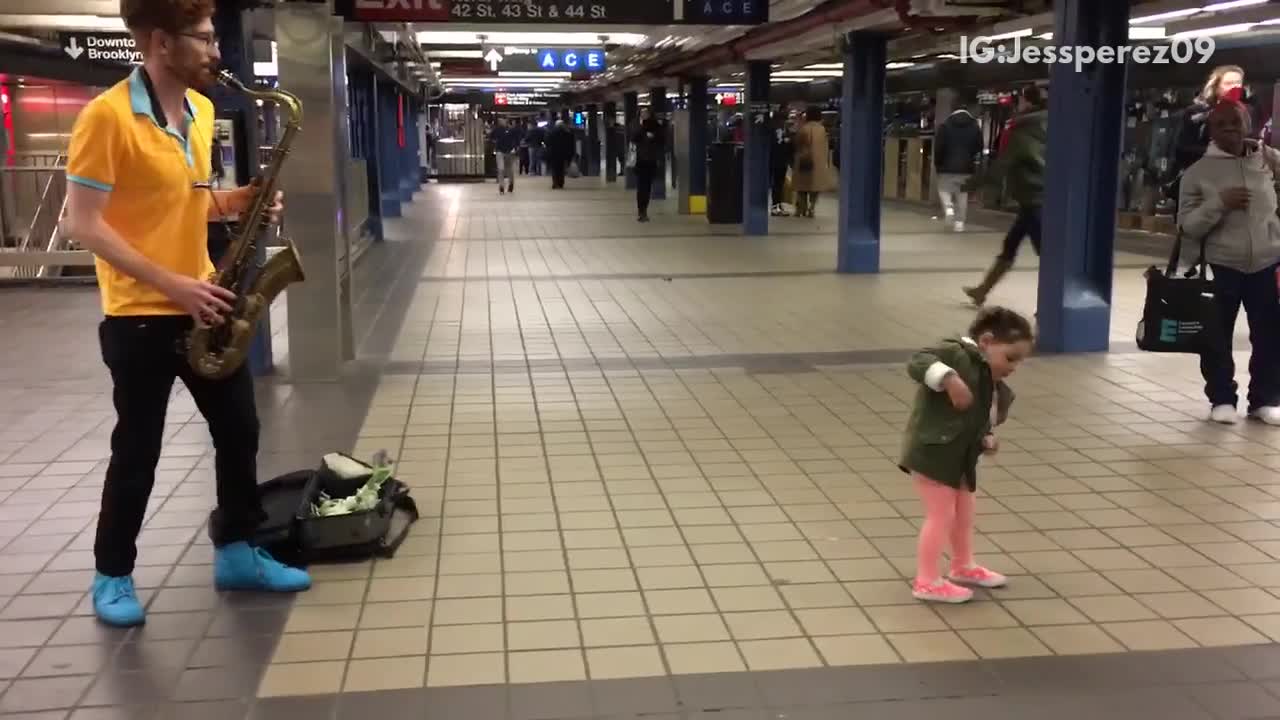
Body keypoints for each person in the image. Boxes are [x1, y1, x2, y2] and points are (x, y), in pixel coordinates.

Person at [63, 0, 310, 628]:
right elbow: (85, 225)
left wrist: (241, 201)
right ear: (157, 41)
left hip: (206, 302)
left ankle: (236, 550)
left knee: (240, 431)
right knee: (138, 450)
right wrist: (174, 283)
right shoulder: (106, 118)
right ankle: (112, 574)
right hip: (140, 316)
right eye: (201, 39)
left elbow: (190, 206)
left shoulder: (201, 112)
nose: (214, 51)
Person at [900, 307, 1033, 603]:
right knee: (941, 515)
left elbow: (980, 413)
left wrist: (986, 436)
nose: (1014, 366)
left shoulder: (988, 377)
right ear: (986, 341)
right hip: (933, 453)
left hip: (960, 456)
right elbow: (918, 361)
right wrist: (949, 379)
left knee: (964, 513)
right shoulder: (955, 353)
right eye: (1010, 357)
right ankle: (926, 580)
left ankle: (962, 565)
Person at [1177, 99, 1280, 426]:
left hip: (1265, 263)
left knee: (1269, 335)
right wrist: (1219, 203)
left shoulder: (1268, 160)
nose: (1230, 129)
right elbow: (1186, 225)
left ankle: (1264, 400)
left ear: (1247, 122)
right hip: (1220, 266)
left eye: (1235, 122)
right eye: (1221, 124)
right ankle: (1222, 398)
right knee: (1216, 336)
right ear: (1211, 130)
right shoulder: (1196, 174)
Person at [962, 85, 1048, 306]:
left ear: (1027, 103)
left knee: (1049, 257)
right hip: (1037, 198)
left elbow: (1003, 164)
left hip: (1034, 198)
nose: (1017, 105)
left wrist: (975, 183)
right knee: (1011, 244)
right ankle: (982, 291)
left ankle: (1050, 304)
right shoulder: (1052, 126)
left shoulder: (1024, 130)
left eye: (1019, 101)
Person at [1168, 65, 1249, 214]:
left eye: (1238, 83)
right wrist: (1216, 152)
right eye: (1228, 83)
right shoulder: (1196, 113)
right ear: (1216, 87)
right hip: (1199, 186)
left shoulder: (1245, 114)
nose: (1235, 87)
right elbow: (1181, 148)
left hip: (1234, 187)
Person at [933, 104, 984, 232]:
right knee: (962, 194)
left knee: (944, 189)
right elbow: (979, 146)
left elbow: (938, 148)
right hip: (966, 166)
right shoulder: (974, 126)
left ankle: (949, 208)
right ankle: (959, 223)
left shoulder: (944, 126)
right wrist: (970, 156)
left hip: (946, 166)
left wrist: (937, 164)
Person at [791, 106, 834, 218]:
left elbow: (798, 143)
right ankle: (812, 207)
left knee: (802, 186)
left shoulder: (804, 128)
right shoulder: (822, 129)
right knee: (815, 187)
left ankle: (801, 208)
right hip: (818, 162)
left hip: (804, 161)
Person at [632, 109, 664, 222]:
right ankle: (641, 211)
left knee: (647, 187)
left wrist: (653, 136)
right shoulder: (637, 125)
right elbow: (633, 138)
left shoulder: (656, 127)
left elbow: (661, 140)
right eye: (642, 113)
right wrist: (642, 129)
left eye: (646, 113)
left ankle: (644, 210)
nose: (644, 115)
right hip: (640, 161)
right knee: (641, 187)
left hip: (651, 160)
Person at [769, 112, 794, 217]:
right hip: (779, 160)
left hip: (777, 160)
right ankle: (776, 206)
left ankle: (777, 205)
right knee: (777, 184)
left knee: (778, 184)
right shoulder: (779, 130)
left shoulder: (774, 129)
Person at [490, 117, 518, 195]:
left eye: (502, 120)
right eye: (500, 120)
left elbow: (516, 140)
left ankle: (511, 183)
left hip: (508, 151)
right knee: (501, 169)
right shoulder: (498, 130)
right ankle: (501, 186)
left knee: (508, 169)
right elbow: (491, 137)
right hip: (500, 151)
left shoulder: (511, 130)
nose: (501, 121)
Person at [546, 119, 575, 189]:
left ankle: (555, 183)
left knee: (554, 169)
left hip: (553, 154)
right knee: (561, 169)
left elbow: (547, 143)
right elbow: (571, 145)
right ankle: (561, 183)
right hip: (563, 154)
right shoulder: (568, 133)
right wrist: (571, 155)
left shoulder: (551, 133)